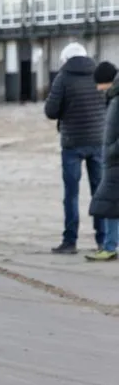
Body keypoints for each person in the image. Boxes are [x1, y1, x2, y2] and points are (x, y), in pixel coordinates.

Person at [45, 42, 107, 255]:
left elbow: (51, 111)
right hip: (99, 141)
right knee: (100, 193)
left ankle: (70, 241)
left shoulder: (63, 78)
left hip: (72, 143)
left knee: (71, 194)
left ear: (66, 59)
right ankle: (103, 241)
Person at [85, 61, 119, 261]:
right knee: (111, 204)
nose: (98, 88)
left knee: (109, 204)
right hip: (112, 160)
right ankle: (109, 245)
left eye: (99, 83)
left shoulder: (116, 98)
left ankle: (109, 246)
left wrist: (113, 149)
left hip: (115, 160)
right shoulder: (114, 96)